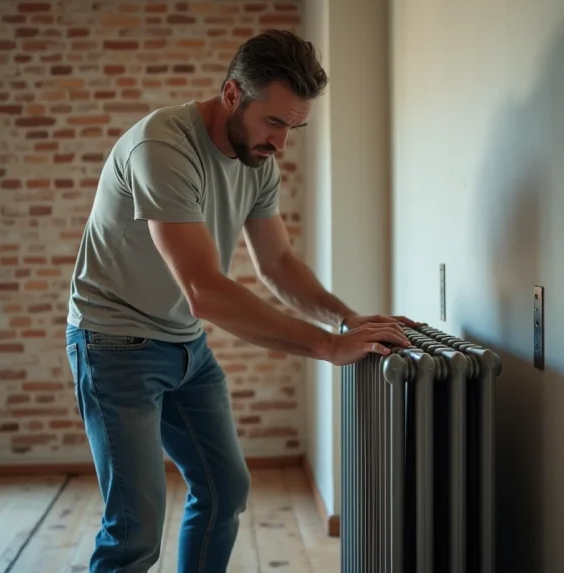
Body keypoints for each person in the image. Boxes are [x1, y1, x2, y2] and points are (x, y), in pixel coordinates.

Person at [64, 29, 418, 573]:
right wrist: (328, 347)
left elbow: (278, 265)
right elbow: (204, 290)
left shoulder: (259, 164)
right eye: (273, 122)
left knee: (224, 489)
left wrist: (346, 320)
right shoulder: (164, 146)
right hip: (116, 343)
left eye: (293, 127)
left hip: (184, 345)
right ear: (232, 95)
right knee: (135, 527)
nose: (280, 143)